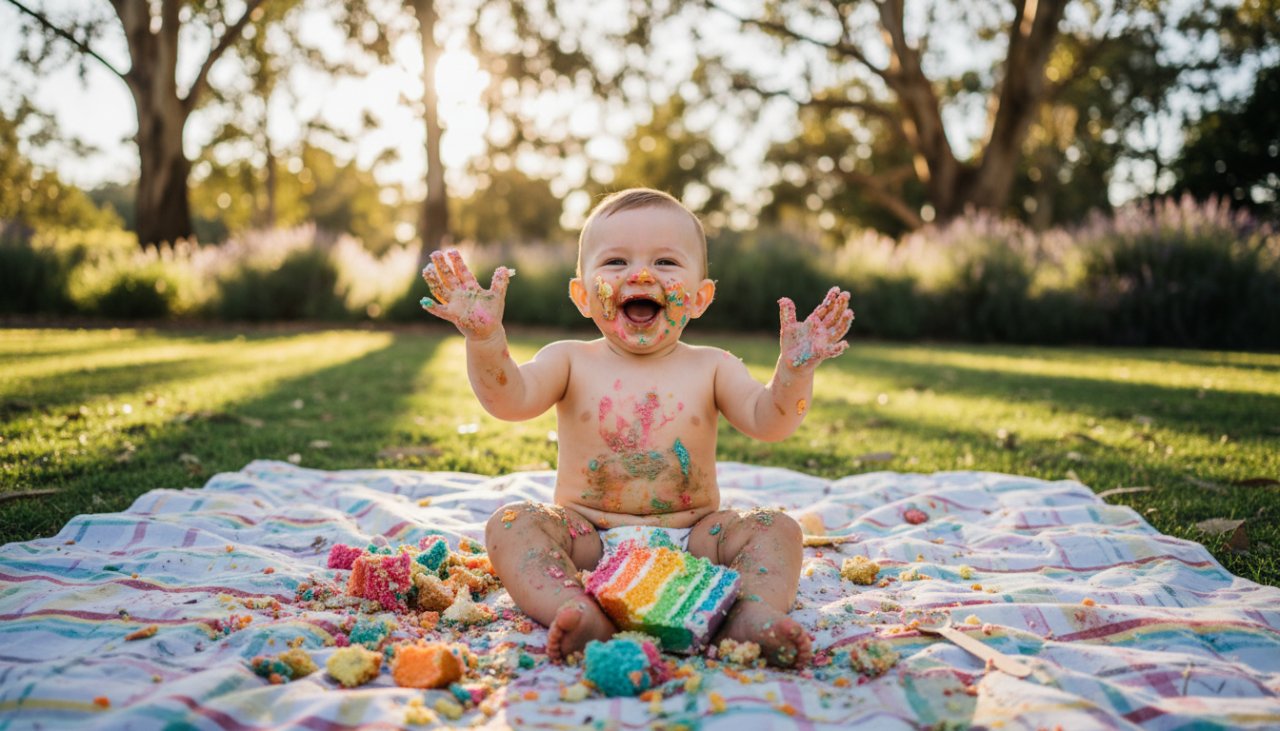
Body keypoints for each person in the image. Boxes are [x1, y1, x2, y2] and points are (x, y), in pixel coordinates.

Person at [420, 188, 852, 667]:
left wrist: (794, 372)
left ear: (700, 297)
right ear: (582, 295)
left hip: (696, 540)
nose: (641, 275)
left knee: (779, 529)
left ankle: (750, 610)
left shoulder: (714, 366)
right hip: (587, 538)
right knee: (510, 524)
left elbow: (769, 422)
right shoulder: (568, 359)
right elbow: (508, 399)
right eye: (616, 261)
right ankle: (575, 608)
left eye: (666, 261)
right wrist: (485, 340)